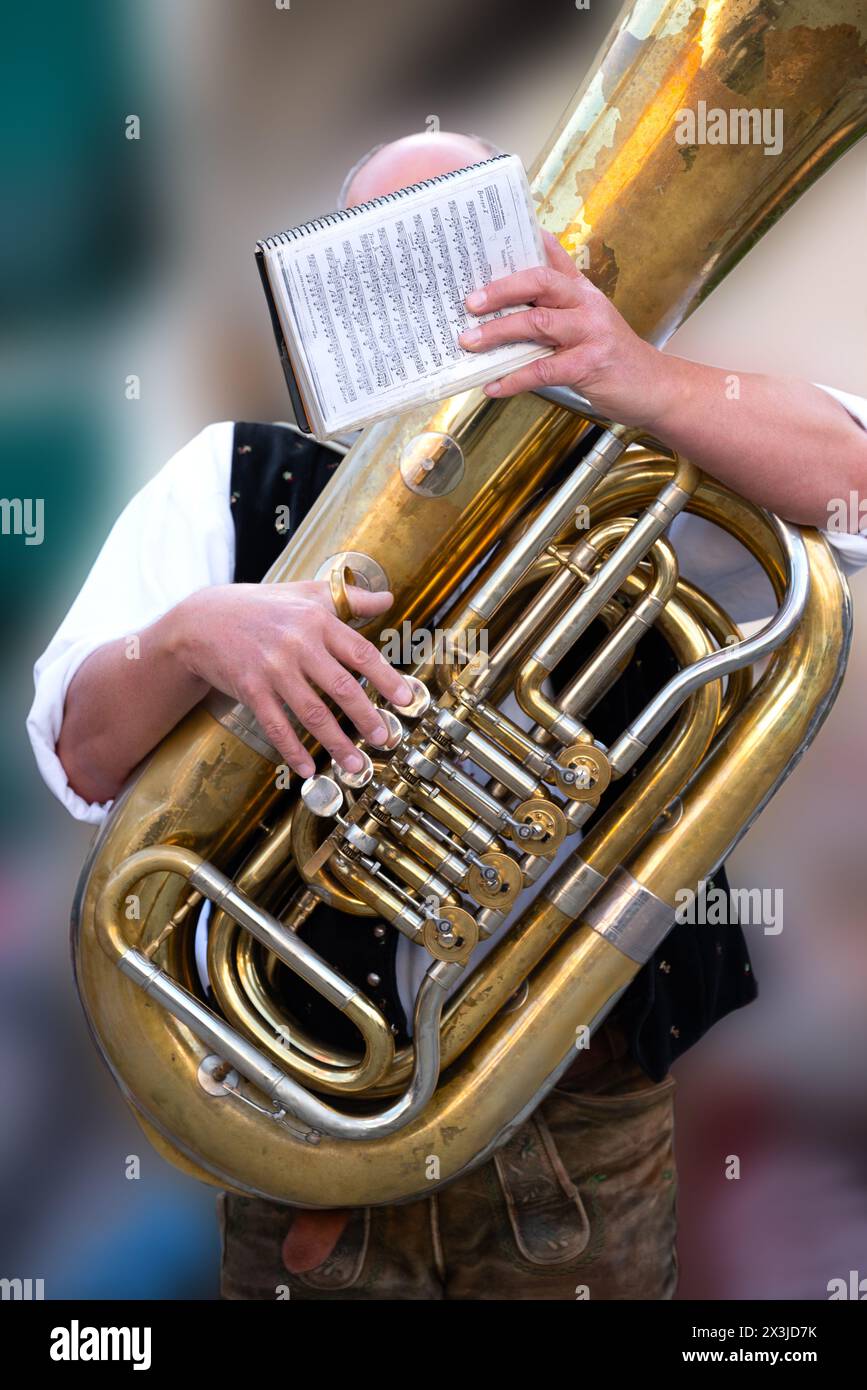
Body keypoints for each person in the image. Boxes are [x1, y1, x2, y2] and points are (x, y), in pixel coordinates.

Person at [27, 131, 867, 1300]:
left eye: (476, 234)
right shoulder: (234, 475)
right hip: (301, 1127)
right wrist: (190, 635)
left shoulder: (652, 460)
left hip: (582, 1120)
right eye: (391, 253)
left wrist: (635, 374)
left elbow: (857, 481)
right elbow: (81, 753)